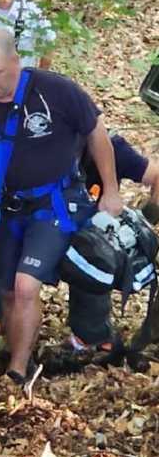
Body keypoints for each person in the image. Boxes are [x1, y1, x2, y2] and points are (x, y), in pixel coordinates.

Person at [0, 28, 123, 384]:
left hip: (57, 203)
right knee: (6, 288)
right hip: (10, 208)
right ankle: (9, 348)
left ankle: (18, 370)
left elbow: (97, 133)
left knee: (27, 284)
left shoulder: (56, 91)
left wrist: (110, 190)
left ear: (16, 61)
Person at [68, 134, 159, 350]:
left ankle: (94, 338)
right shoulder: (41, 143)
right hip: (46, 227)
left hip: (94, 239)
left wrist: (148, 216)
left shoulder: (113, 148)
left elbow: (156, 175)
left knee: (94, 257)